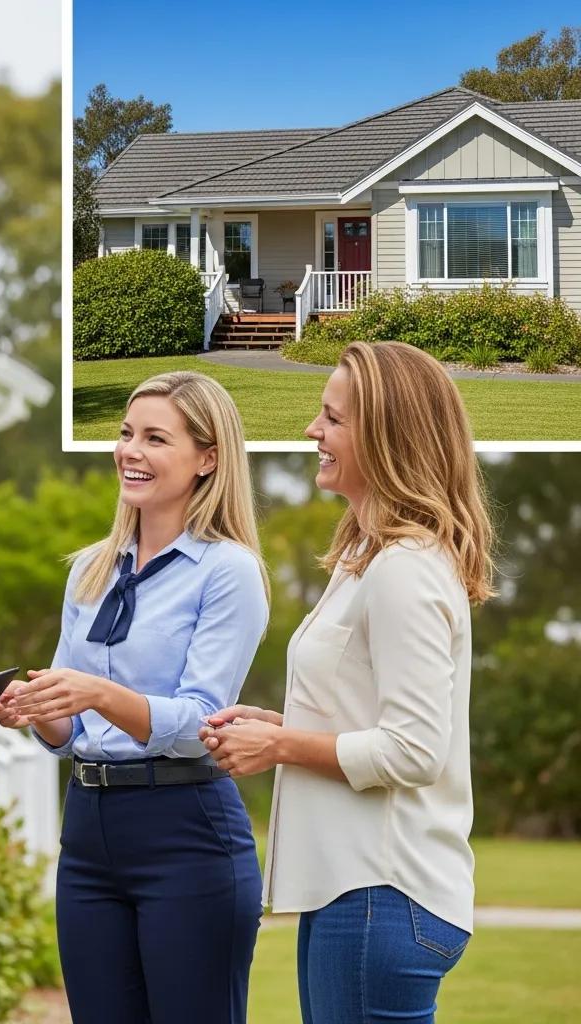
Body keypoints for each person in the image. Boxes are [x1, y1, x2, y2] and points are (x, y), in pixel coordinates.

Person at [202, 341, 494, 1024]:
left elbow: (414, 751)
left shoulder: (405, 570)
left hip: (382, 894)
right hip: (357, 894)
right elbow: (367, 717)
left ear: (387, 437)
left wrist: (279, 749)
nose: (313, 432)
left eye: (332, 419)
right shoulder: (369, 556)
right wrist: (279, 728)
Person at [0, 371, 269, 1024]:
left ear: (208, 458)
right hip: (88, 831)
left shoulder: (229, 572)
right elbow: (70, 730)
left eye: (154, 438)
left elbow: (202, 719)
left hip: (186, 830)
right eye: (124, 434)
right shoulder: (90, 568)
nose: (129, 451)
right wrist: (39, 711)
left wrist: (99, 693)